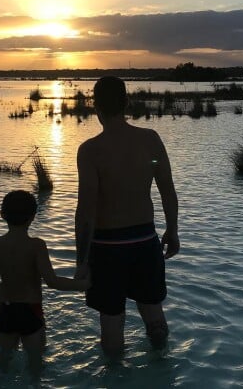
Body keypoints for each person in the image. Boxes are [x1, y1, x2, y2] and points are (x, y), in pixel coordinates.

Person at [75, 76, 180, 356]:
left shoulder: (90, 151)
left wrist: (82, 261)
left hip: (108, 248)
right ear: (126, 102)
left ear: (95, 105)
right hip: (145, 242)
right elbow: (168, 191)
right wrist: (172, 230)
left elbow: (86, 212)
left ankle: (114, 377)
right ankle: (161, 367)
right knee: (154, 314)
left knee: (111, 323)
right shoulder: (150, 140)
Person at [0, 190, 90, 367]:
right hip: (30, 311)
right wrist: (83, 285)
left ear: (2, 214)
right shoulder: (36, 245)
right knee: (36, 363)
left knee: (4, 360)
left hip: (5, 310)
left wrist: (1, 297)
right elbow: (52, 281)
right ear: (33, 216)